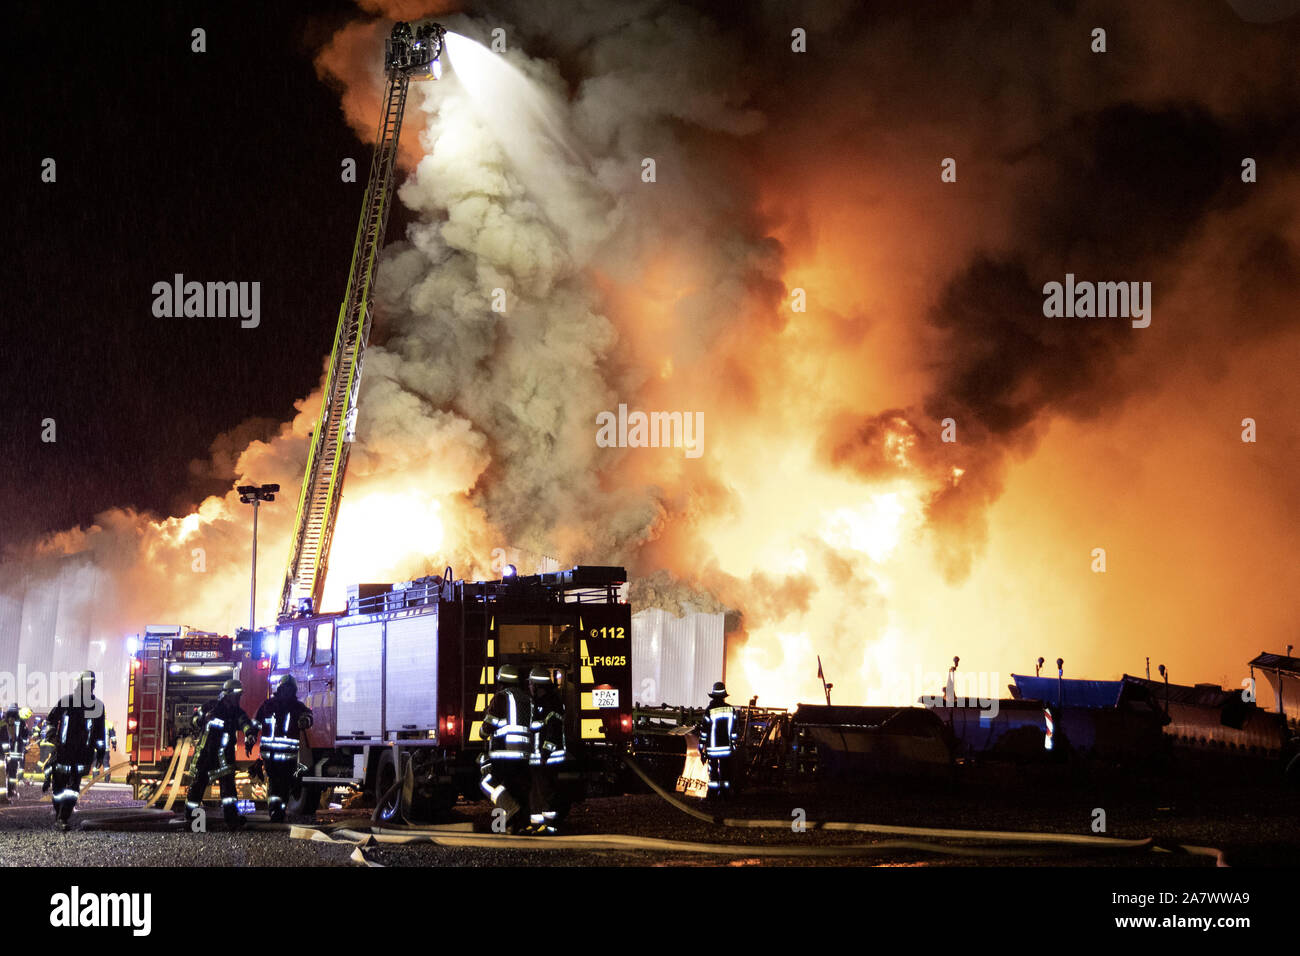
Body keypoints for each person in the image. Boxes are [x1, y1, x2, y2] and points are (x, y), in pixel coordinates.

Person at [184, 679, 258, 830]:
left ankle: (232, 820)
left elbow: (245, 723)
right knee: (197, 787)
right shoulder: (210, 707)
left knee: (229, 792)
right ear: (227, 695)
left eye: (240, 696)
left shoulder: (236, 712)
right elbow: (193, 720)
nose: (238, 698)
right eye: (236, 695)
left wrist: (250, 734)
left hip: (225, 758)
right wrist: (203, 718)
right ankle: (191, 819)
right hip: (206, 755)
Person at [46, 671, 107, 829]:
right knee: (59, 788)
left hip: (81, 753)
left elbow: (100, 733)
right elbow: (51, 720)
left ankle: (63, 817)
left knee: (73, 789)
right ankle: (60, 814)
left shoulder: (97, 706)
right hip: (64, 752)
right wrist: (52, 735)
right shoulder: (67, 701)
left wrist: (101, 753)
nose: (89, 686)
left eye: (91, 684)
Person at [478, 664, 531, 832]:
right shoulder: (527, 698)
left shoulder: (500, 698)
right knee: (516, 789)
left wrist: (482, 732)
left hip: (504, 752)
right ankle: (516, 825)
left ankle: (510, 810)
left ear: (500, 681)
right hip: (524, 754)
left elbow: (489, 725)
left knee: (487, 783)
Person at [253, 674, 313, 823]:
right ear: (281, 689)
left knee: (285, 785)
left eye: (289, 689)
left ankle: (279, 811)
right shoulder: (268, 705)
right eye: (285, 688)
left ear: (293, 690)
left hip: (288, 757)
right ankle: (275, 811)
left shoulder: (298, 707)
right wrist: (250, 737)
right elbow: (255, 723)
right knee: (274, 784)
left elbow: (309, 716)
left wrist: (305, 720)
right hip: (271, 756)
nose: (287, 691)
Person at [525, 666, 566, 835]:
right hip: (538, 758)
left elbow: (553, 731)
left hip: (548, 758)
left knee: (546, 791)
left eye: (531, 684)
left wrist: (545, 753)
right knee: (536, 792)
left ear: (537, 686)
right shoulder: (539, 703)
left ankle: (549, 826)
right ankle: (537, 824)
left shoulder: (551, 703)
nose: (529, 687)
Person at [697, 681, 739, 799]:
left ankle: (712, 795)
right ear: (724, 696)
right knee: (726, 771)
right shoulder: (731, 710)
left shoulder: (709, 710)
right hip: (727, 749)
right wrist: (734, 745)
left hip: (713, 749)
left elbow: (704, 731)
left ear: (713, 696)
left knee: (713, 772)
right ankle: (725, 794)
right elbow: (735, 731)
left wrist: (701, 747)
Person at [1, 704, 32, 798]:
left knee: (4, 772)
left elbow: (3, 738)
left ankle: (8, 790)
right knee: (12, 772)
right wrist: (24, 746)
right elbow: (25, 737)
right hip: (16, 752)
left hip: (4, 752)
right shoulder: (22, 722)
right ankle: (11, 790)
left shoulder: (3, 722)